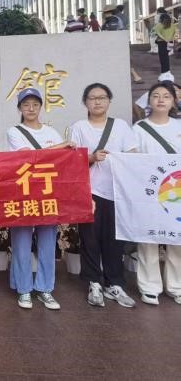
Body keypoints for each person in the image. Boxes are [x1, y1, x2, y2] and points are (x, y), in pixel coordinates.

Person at [6, 88, 75, 310]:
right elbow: (30, 157)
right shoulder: (14, 131)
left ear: (41, 107)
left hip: (48, 194)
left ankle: (45, 288)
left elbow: (62, 160)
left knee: (47, 243)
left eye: (35, 104)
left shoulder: (51, 132)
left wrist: (66, 149)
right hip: (23, 194)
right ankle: (24, 289)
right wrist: (62, 145)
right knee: (22, 243)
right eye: (26, 105)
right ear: (19, 108)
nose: (31, 109)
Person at [69, 83, 137, 308]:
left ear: (109, 100)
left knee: (114, 241)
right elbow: (71, 161)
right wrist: (91, 157)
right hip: (90, 192)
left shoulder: (121, 127)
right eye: (92, 98)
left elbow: (133, 156)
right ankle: (94, 283)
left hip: (117, 192)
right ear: (85, 102)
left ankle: (114, 284)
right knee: (90, 239)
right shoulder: (78, 127)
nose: (97, 101)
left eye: (102, 97)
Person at [132, 82, 181, 306]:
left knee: (177, 237)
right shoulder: (139, 129)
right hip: (149, 191)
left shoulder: (179, 126)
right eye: (156, 96)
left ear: (174, 101)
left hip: (176, 192)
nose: (161, 100)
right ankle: (149, 286)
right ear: (149, 101)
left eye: (166, 96)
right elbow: (132, 159)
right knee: (148, 238)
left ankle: (176, 286)